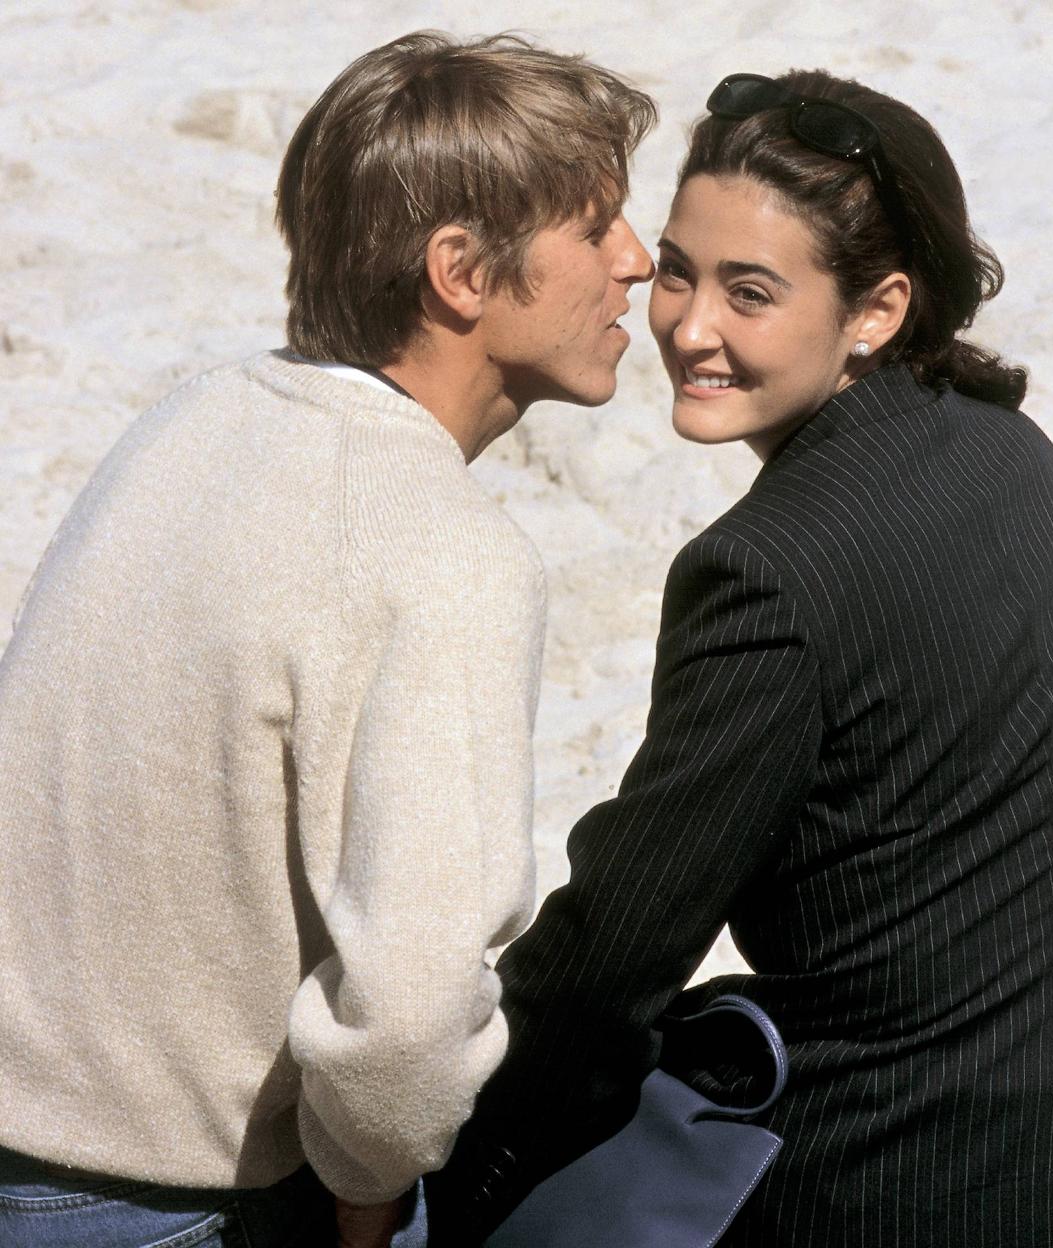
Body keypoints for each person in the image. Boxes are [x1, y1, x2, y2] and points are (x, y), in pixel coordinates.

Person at [427, 70, 1053, 1246]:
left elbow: (619, 952)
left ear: (876, 310)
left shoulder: (765, 572)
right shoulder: (1008, 454)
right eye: (677, 270)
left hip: (941, 1189)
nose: (689, 326)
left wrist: (451, 1168)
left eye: (749, 293)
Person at [0, 31, 654, 1248]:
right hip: (183, 1207)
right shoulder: (444, 551)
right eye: (595, 225)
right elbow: (405, 1020)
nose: (637, 260)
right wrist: (369, 1200)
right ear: (461, 271)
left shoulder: (184, 424)